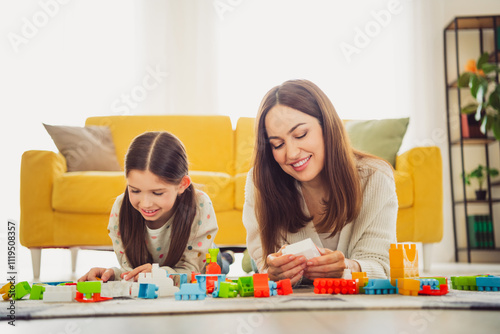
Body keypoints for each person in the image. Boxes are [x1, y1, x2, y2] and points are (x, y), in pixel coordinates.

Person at [243, 79, 398, 286]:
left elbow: (380, 265)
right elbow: (266, 263)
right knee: (252, 266)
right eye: (277, 144)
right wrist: (272, 271)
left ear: (327, 127)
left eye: (301, 134)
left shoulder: (375, 177)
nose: (291, 153)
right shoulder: (260, 182)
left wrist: (348, 269)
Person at [79, 131, 232, 283]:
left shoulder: (200, 206)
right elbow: (131, 272)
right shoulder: (121, 208)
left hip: (203, 261)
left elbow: (192, 272)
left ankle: (226, 258)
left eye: (157, 193)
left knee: (220, 266)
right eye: (135, 190)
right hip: (163, 269)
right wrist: (112, 274)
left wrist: (160, 273)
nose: (145, 204)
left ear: (182, 185)